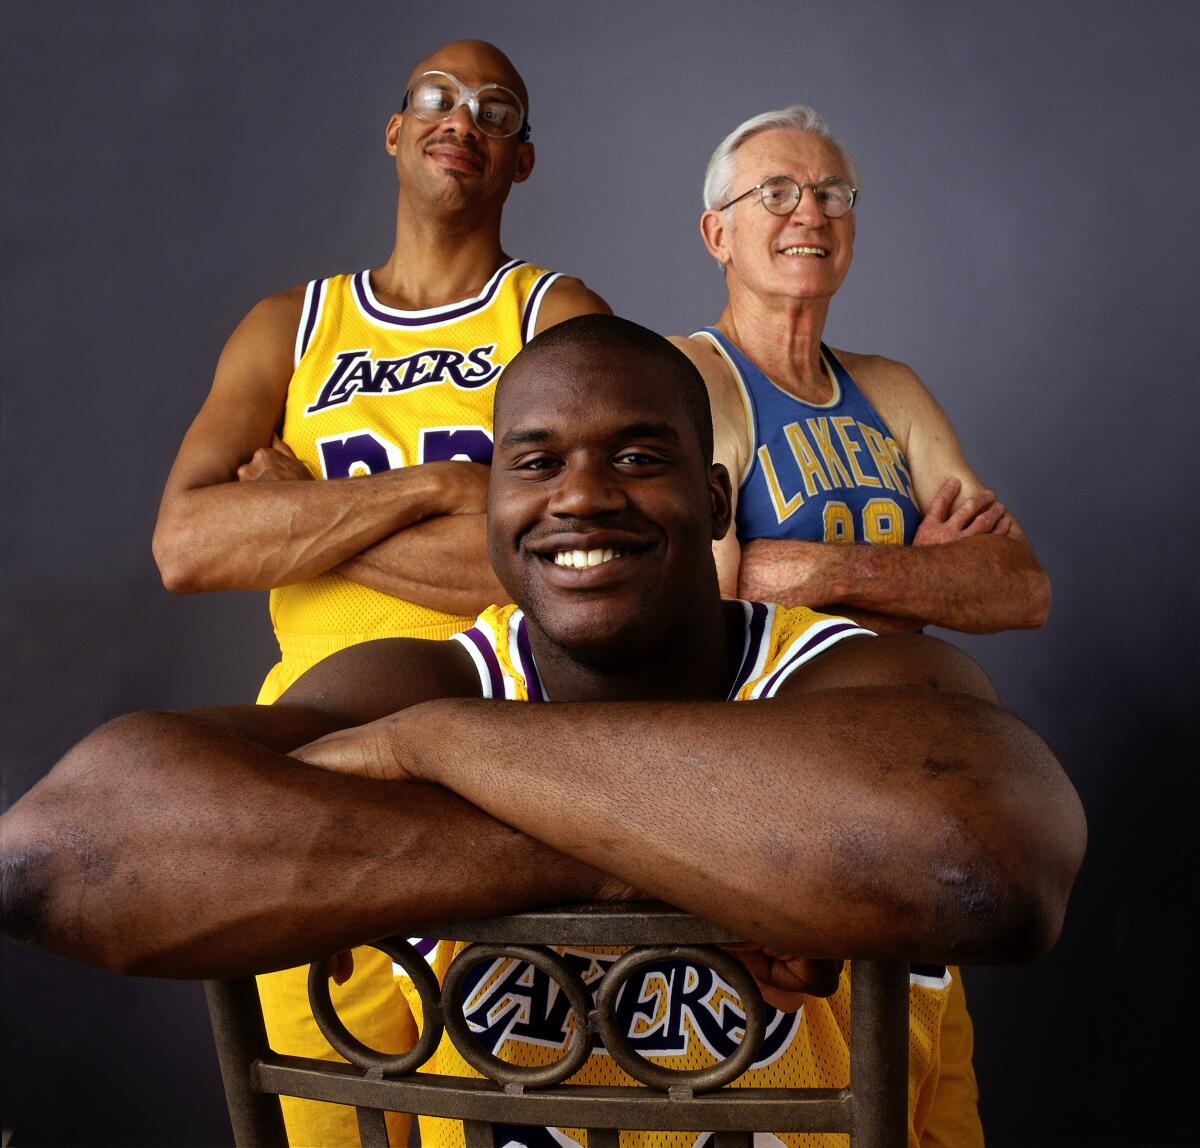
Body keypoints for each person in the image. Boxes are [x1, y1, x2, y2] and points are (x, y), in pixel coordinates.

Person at [3, 316, 1085, 1148]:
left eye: (637, 456)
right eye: (533, 461)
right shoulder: (430, 676)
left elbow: (986, 866)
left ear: (716, 501)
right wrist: (658, 862)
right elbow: (51, 855)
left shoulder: (849, 671)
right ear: (493, 516)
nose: (581, 495)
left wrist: (439, 750)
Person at [149, 39, 608, 1146]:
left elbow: (561, 562)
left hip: (494, 761)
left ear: (524, 159)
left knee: (479, 1117)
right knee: (323, 1116)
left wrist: (303, 518)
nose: (466, 116)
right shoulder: (289, 329)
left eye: (497, 108)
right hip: (311, 769)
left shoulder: (553, 317)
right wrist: (440, 487)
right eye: (439, 98)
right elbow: (186, 540)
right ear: (396, 131)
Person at [672, 105, 1050, 635]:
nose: (810, 215)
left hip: (915, 709)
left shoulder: (892, 388)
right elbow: (696, 613)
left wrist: (819, 571)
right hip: (771, 717)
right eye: (776, 193)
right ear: (718, 236)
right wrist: (927, 580)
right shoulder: (689, 375)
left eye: (830, 195)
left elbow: (1024, 589)